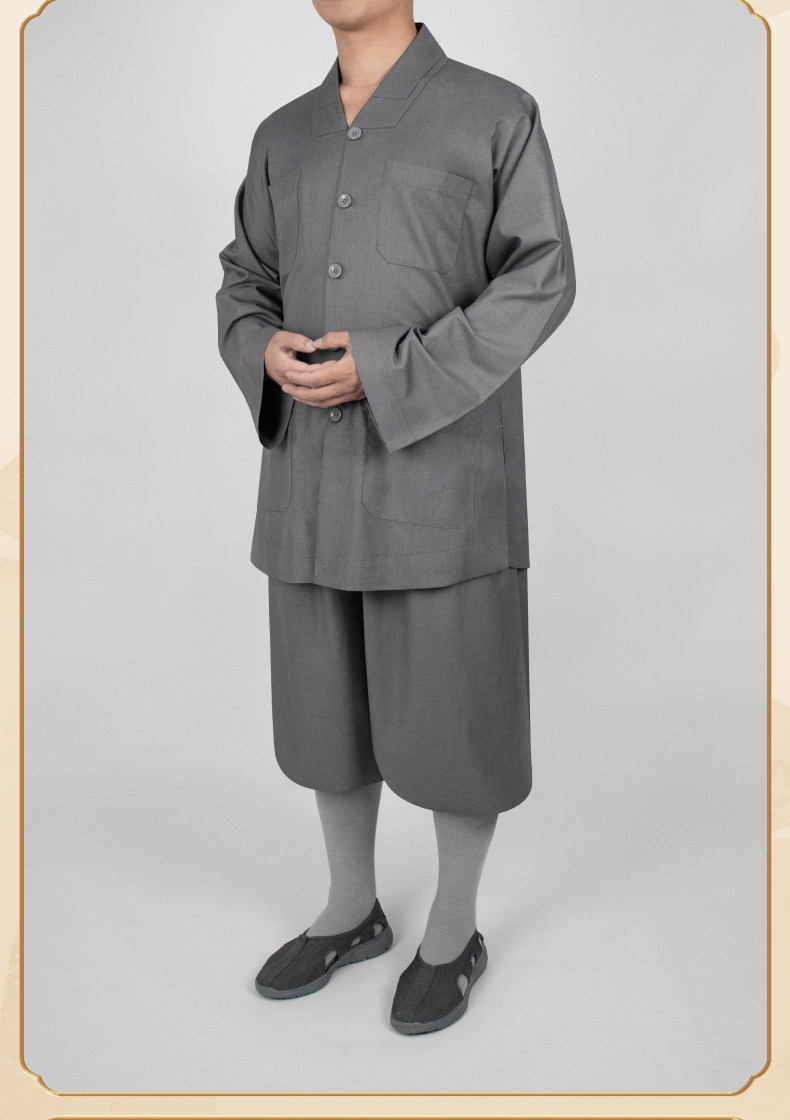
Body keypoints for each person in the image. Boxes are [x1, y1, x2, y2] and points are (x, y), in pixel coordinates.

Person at [215, 0, 575, 1036]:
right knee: (323, 713)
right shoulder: (282, 135)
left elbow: (542, 275)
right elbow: (244, 281)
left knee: (458, 710)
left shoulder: (494, 114)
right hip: (310, 483)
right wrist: (258, 347)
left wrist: (390, 367)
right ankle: (350, 909)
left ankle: (453, 931)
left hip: (443, 480)